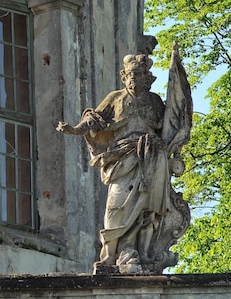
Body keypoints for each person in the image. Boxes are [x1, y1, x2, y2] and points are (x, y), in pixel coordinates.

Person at [57, 53, 191, 271]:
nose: (133, 78)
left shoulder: (155, 102)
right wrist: (73, 129)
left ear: (148, 79)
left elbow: (171, 124)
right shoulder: (115, 98)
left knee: (149, 211)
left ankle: (143, 252)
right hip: (122, 158)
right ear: (123, 76)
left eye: (138, 74)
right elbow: (93, 121)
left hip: (151, 158)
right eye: (130, 74)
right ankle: (111, 254)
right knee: (115, 206)